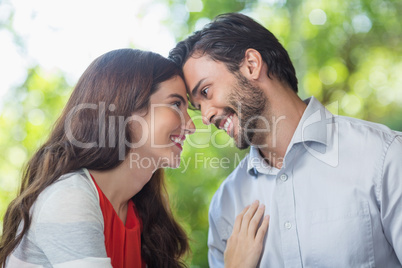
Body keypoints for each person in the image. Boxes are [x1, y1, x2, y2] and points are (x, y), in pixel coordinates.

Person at [169, 13, 402, 267]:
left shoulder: (383, 156)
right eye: (198, 106)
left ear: (251, 64)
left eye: (206, 91)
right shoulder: (226, 204)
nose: (205, 116)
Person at [0, 48, 269, 268]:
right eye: (176, 104)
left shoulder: (141, 212)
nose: (191, 126)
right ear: (125, 109)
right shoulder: (68, 199)